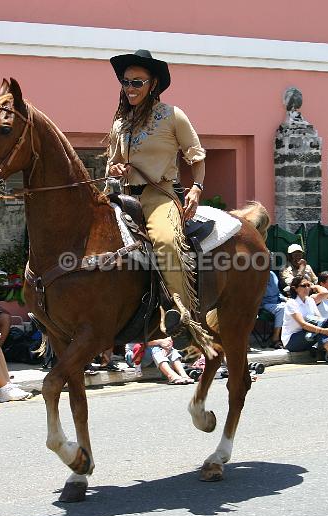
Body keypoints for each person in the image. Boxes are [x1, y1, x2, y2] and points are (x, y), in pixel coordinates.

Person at [104, 49, 212, 353]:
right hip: (123, 196)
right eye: (126, 82)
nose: (131, 88)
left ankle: (183, 316)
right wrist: (114, 170)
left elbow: (196, 156)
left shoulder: (172, 116)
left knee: (165, 241)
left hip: (158, 195)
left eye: (138, 82)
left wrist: (196, 188)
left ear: (153, 84)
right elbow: (111, 167)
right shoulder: (119, 124)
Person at [281, 275, 328, 364]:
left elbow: (320, 319)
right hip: (292, 340)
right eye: (304, 286)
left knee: (326, 323)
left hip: (308, 334)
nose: (307, 288)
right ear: (295, 288)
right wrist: (323, 331)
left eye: (308, 285)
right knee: (319, 331)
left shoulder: (310, 300)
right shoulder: (291, 303)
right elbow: (303, 324)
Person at [127, 337, 193, 384]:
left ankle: (184, 375)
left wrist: (167, 347)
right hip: (134, 357)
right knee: (155, 347)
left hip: (153, 357)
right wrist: (160, 342)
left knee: (170, 349)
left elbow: (168, 339)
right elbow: (139, 345)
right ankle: (171, 376)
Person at [260, 270, 287, 349]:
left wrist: (285, 298)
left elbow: (277, 292)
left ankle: (286, 338)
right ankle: (275, 338)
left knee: (291, 305)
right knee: (282, 309)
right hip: (264, 303)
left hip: (277, 301)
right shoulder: (256, 275)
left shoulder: (272, 274)